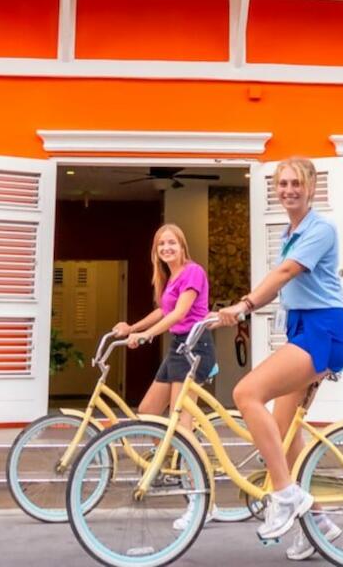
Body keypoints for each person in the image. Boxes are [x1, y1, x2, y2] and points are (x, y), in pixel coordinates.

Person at [215, 157, 343, 560]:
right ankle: (318, 523)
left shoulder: (320, 228)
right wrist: (225, 313)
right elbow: (281, 287)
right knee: (283, 430)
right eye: (282, 184)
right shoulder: (289, 231)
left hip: (324, 330)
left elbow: (284, 275)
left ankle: (286, 495)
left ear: (311, 188)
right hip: (302, 328)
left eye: (296, 183)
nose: (289, 190)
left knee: (246, 393)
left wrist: (243, 305)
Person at [113, 222, 217, 531]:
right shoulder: (168, 277)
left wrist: (145, 337)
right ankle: (168, 462)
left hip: (195, 346)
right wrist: (131, 327)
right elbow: (162, 311)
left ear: (182, 246)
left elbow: (180, 314)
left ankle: (204, 503)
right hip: (177, 347)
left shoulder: (192, 272)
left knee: (182, 427)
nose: (167, 248)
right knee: (147, 411)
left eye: (171, 243)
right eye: (161, 245)